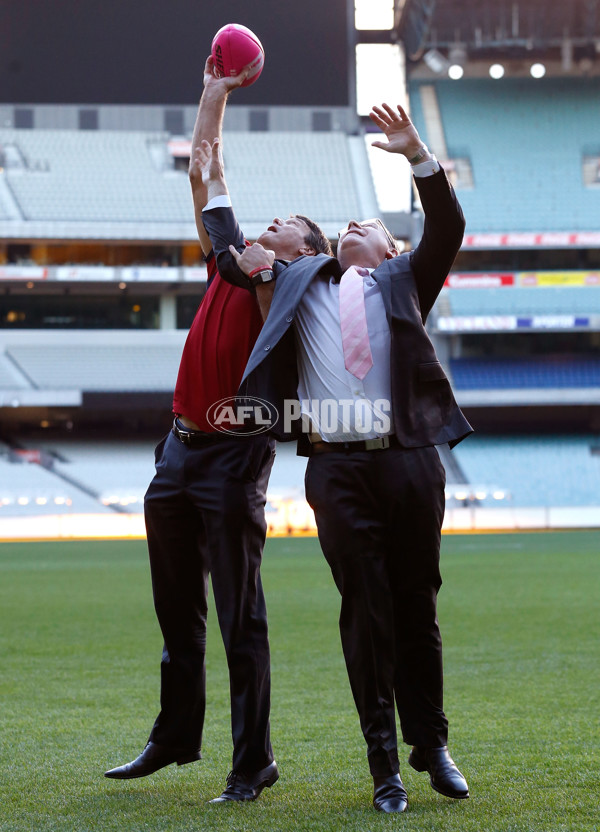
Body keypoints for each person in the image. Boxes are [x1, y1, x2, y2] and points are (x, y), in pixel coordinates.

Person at [199, 101, 473, 813]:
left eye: (371, 226)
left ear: (389, 250)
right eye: (347, 224)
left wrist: (417, 154)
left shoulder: (408, 282)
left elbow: (447, 227)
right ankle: (385, 767)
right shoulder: (295, 279)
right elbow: (229, 250)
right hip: (337, 469)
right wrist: (214, 186)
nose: (355, 226)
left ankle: (432, 743)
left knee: (418, 606)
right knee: (365, 612)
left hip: (410, 461)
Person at [104, 56, 331, 804]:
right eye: (270, 223)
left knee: (241, 617)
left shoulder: (281, 295)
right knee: (178, 610)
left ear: (304, 256)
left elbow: (228, 213)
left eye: (286, 228)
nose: (271, 226)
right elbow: (207, 173)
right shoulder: (228, 266)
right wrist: (213, 93)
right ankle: (173, 738)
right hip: (178, 451)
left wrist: (257, 251)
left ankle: (252, 763)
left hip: (235, 460)